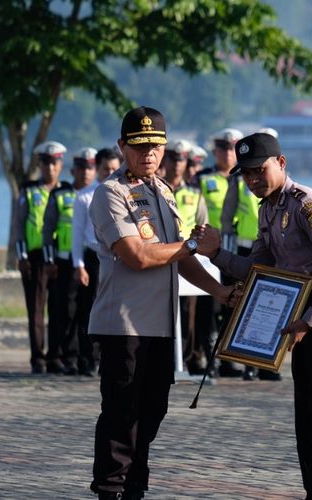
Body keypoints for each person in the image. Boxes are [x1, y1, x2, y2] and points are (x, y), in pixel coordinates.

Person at [193, 132, 312, 500]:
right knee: (307, 418)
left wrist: (311, 319)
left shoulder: (306, 204)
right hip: (301, 324)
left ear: (281, 164)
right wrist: (216, 254)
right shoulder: (267, 209)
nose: (253, 180)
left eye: (260, 171)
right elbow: (258, 268)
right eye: (247, 174)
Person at [88, 106, 238, 499]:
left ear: (165, 147)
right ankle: (110, 490)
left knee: (151, 414)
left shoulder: (164, 192)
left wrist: (220, 291)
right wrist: (191, 243)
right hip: (124, 325)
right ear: (122, 147)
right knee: (122, 415)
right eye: (139, 146)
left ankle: (135, 487)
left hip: (159, 326)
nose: (148, 154)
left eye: (155, 146)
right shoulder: (110, 193)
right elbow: (138, 255)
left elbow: (179, 257)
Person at [220, 127, 281, 381]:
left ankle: (267, 363)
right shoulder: (238, 179)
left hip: (274, 250)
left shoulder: (281, 181)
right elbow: (226, 215)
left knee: (272, 306)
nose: (252, 177)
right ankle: (243, 362)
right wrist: (226, 248)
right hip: (246, 246)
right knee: (244, 305)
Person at [42, 147, 96, 375]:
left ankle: (88, 357)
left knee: (89, 312)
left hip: (91, 261)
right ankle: (66, 357)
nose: (85, 172)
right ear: (72, 170)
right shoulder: (61, 195)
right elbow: (47, 228)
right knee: (65, 312)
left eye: (90, 168)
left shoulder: (100, 195)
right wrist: (49, 260)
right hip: (64, 262)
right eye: (81, 168)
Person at [14, 140, 67, 374]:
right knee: (36, 310)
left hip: (57, 258)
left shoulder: (65, 191)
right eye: (45, 163)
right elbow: (19, 224)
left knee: (58, 309)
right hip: (34, 257)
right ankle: (38, 357)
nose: (50, 168)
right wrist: (21, 255)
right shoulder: (28, 190)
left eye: (54, 163)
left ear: (61, 165)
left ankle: (56, 355)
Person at [161, 139, 212, 374]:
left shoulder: (194, 192)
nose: (177, 164)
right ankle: (168, 356)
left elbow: (203, 225)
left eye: (181, 160)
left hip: (188, 255)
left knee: (189, 310)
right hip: (162, 255)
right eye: (173, 159)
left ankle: (189, 357)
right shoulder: (156, 188)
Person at [196, 127, 245, 377]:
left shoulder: (246, 177)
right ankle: (208, 356)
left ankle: (233, 359)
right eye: (223, 149)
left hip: (237, 250)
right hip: (208, 251)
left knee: (236, 304)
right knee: (210, 306)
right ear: (215, 151)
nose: (227, 154)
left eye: (232, 149)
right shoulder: (203, 178)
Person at [70, 148, 121, 376]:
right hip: (93, 258)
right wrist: (78, 265)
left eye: (114, 168)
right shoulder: (85, 197)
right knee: (89, 310)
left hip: (117, 257)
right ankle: (87, 358)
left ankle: (108, 358)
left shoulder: (122, 193)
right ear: (96, 169)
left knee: (116, 310)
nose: (110, 173)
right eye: (105, 169)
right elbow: (77, 234)